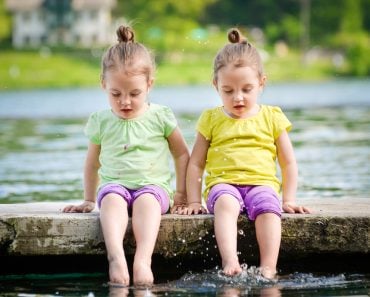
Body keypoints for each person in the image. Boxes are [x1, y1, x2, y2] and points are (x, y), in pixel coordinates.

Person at [63, 25, 189, 287]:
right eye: (116, 94)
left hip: (153, 188)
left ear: (149, 85)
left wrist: (181, 193)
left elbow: (181, 154)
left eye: (134, 94)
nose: (125, 102)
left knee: (146, 202)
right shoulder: (100, 121)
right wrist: (88, 198)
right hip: (114, 186)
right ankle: (116, 257)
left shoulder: (160, 116)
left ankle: (143, 260)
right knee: (110, 200)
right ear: (103, 85)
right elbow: (92, 163)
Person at [185, 28, 311, 279]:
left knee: (268, 207)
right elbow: (196, 164)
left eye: (247, 89)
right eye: (228, 90)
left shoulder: (272, 116)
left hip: (261, 184)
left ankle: (268, 266)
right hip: (224, 184)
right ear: (216, 85)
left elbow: (288, 163)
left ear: (261, 83)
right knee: (225, 204)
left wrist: (288, 198)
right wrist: (193, 201)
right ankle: (230, 260)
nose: (238, 97)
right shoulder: (211, 119)